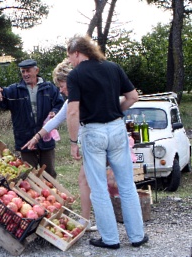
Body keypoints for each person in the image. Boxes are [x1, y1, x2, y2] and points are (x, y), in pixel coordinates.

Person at [66, 35, 148, 249]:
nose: (70, 63)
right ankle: (137, 236)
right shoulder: (113, 67)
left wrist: (73, 142)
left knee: (99, 188)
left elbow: (73, 111)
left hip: (93, 132)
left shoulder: (76, 75)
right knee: (127, 184)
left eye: (70, 58)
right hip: (117, 128)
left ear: (77, 53)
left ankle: (110, 239)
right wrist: (114, 111)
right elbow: (133, 97)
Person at [21, 60, 96, 230]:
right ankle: (86, 221)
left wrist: (73, 143)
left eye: (62, 85)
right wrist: (36, 138)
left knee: (93, 182)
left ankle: (101, 226)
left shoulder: (88, 95)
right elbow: (56, 120)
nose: (60, 90)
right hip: (92, 144)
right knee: (85, 180)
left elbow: (71, 117)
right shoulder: (72, 99)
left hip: (99, 143)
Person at [0, 59, 64, 178]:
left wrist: (54, 112)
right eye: (23, 71)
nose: (25, 74)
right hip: (25, 139)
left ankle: (53, 195)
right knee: (29, 175)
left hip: (45, 138)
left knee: (49, 173)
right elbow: (1, 96)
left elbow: (60, 104)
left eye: (28, 71)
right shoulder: (15, 90)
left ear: (36, 70)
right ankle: (34, 196)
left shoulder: (49, 88)